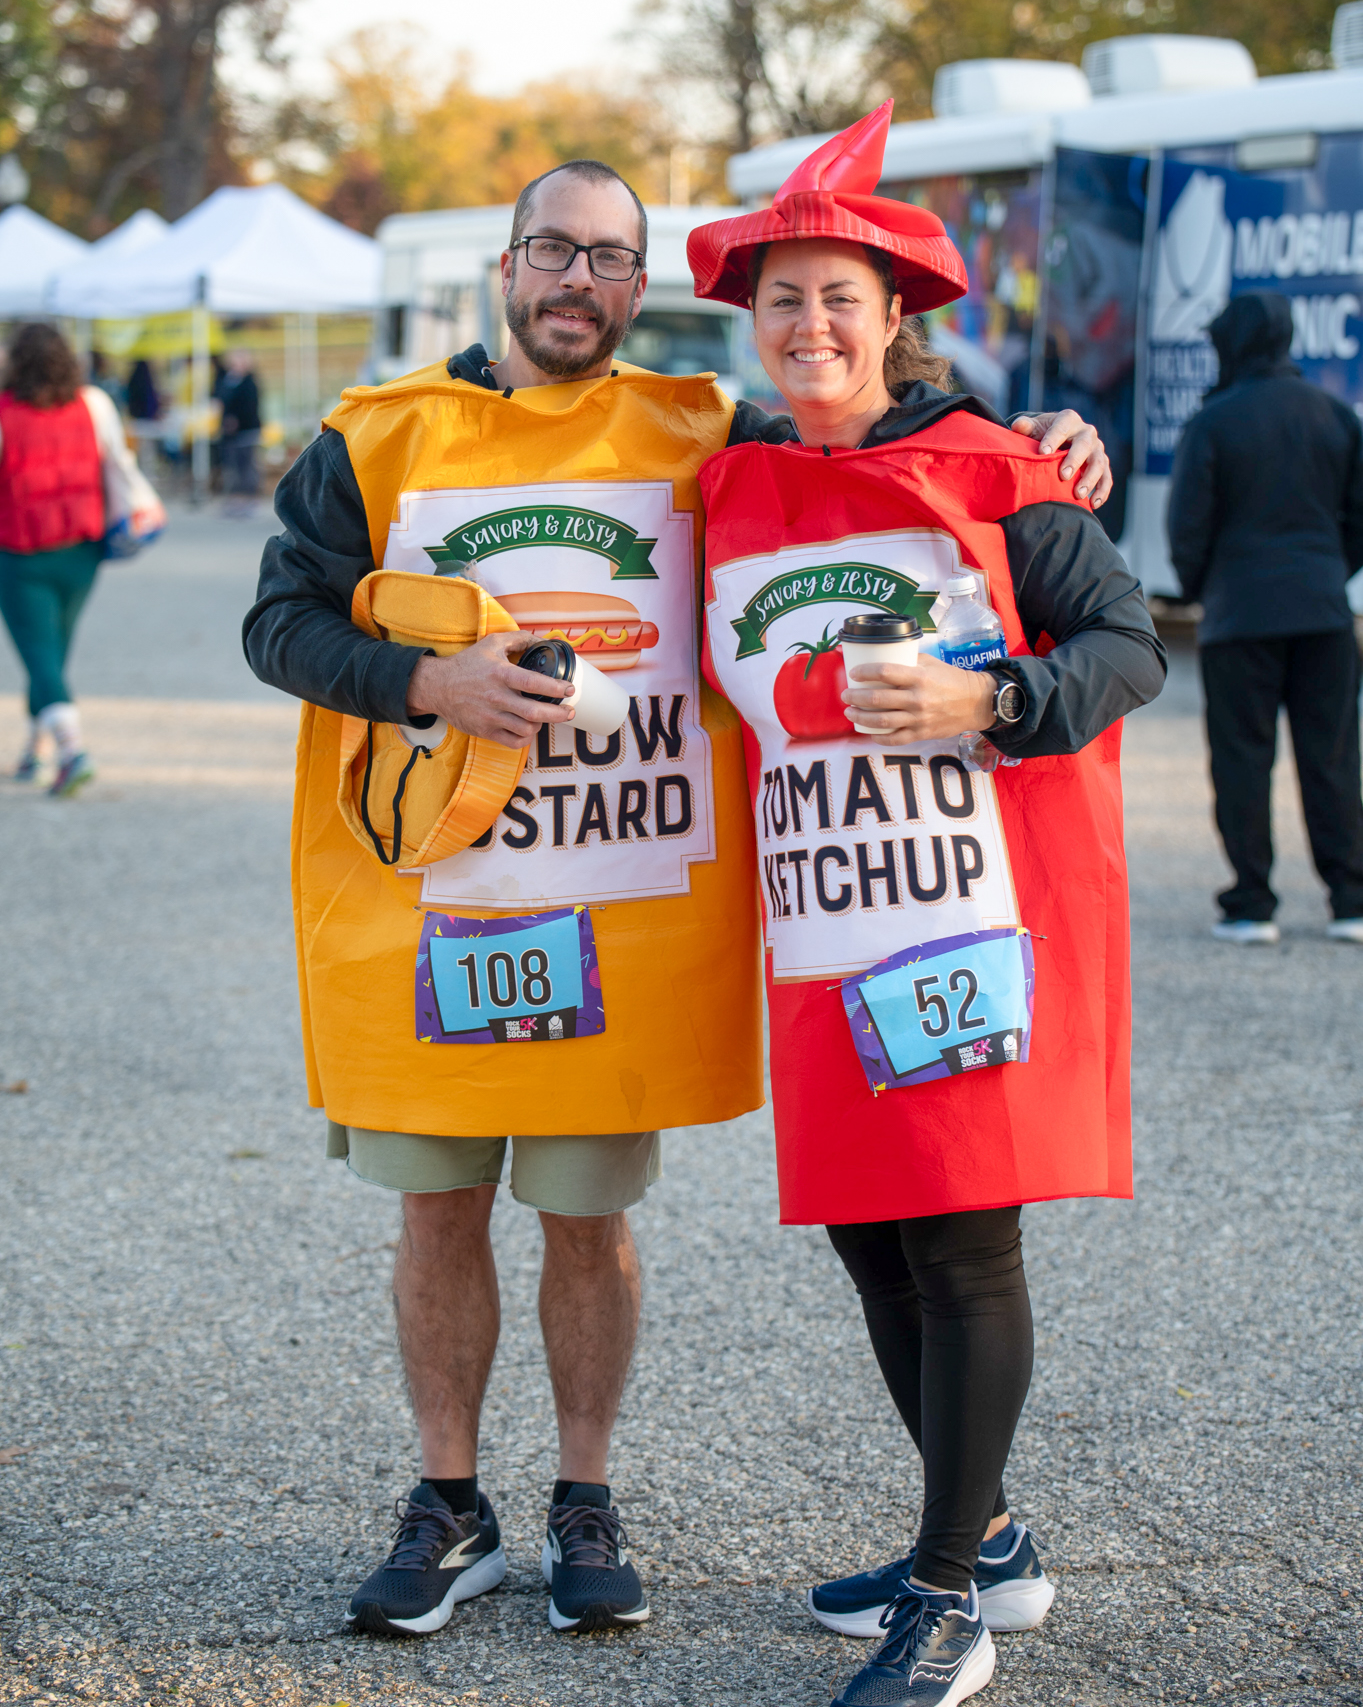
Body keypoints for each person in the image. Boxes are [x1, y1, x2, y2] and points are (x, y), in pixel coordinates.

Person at [242, 155, 1114, 1646]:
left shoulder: (705, 429)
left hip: (613, 909)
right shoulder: (372, 434)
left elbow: (879, 434)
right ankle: (449, 1504)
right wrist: (418, 679)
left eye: (607, 260)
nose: (575, 281)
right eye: (550, 252)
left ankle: (588, 1499)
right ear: (506, 265)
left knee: (588, 1222)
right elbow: (278, 622)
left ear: (640, 289)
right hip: (433, 904)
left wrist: (1040, 439)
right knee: (438, 1210)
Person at [688, 104, 1165, 1707]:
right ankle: (993, 1542)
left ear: (896, 318)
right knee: (871, 1245)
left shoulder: (1001, 471)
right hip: (824, 920)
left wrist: (1000, 704)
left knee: (958, 1247)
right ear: (750, 329)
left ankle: (948, 1598)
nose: (808, 326)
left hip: (968, 921)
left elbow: (1125, 647)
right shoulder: (730, 480)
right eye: (781, 302)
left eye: (838, 298)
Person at [1167, 291, 1363, 945]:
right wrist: (1329, 574)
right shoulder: (1335, 415)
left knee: (1242, 761)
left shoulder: (1212, 423)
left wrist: (1202, 588)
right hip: (1322, 617)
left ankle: (1251, 904)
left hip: (1237, 617)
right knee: (1332, 757)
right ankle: (1348, 900)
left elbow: (1186, 526)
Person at [0, 323, 144, 793]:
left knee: (40, 655)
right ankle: (34, 752)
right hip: (83, 548)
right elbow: (118, 462)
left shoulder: (5, 412)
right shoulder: (94, 403)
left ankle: (72, 750)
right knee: (51, 651)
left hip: (20, 550)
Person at [215, 348, 263, 512]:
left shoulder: (250, 383)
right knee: (232, 467)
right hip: (229, 433)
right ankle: (235, 499)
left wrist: (236, 420)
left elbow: (250, 406)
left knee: (246, 466)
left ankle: (248, 499)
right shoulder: (226, 381)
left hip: (246, 430)